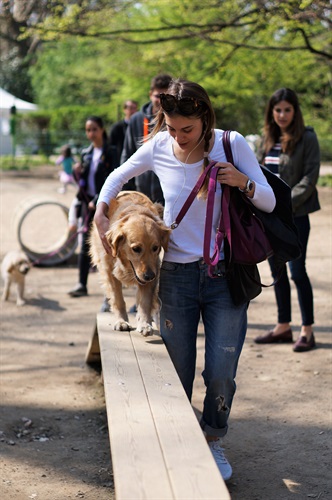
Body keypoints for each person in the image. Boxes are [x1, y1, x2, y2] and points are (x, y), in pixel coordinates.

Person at [94, 78, 276, 480]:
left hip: (224, 275)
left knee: (221, 370)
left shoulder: (232, 144)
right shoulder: (159, 145)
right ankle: (176, 442)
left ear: (205, 119)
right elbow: (118, 175)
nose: (177, 137)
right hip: (174, 276)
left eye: (186, 130)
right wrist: (101, 209)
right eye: (171, 127)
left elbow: (269, 199)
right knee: (175, 368)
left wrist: (241, 182)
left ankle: (213, 440)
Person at [254, 88, 320, 352]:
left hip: (295, 216)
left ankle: (308, 330)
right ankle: (283, 326)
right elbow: (256, 172)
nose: (282, 115)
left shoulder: (307, 138)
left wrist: (284, 203)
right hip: (268, 216)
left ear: (295, 111)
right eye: (278, 109)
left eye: (287, 110)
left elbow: (310, 178)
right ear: (271, 111)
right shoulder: (265, 139)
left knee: (297, 272)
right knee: (276, 271)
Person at [68, 116, 118, 298]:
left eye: (94, 129)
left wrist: (98, 200)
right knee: (85, 243)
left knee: (107, 245)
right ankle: (81, 283)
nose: (91, 133)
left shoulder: (112, 152)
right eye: (88, 130)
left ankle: (111, 292)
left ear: (102, 130)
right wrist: (77, 172)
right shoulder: (85, 152)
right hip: (86, 204)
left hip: (103, 205)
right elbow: (81, 182)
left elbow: (113, 180)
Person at [120, 73, 172, 203]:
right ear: (150, 94)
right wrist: (124, 184)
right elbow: (128, 153)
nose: (161, 101)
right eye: (158, 96)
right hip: (141, 190)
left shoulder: (176, 120)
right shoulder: (136, 119)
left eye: (166, 96)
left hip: (168, 191)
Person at [109, 99, 138, 165]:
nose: (132, 111)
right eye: (130, 108)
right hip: (119, 162)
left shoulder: (139, 126)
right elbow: (111, 146)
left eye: (134, 108)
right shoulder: (117, 127)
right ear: (124, 110)